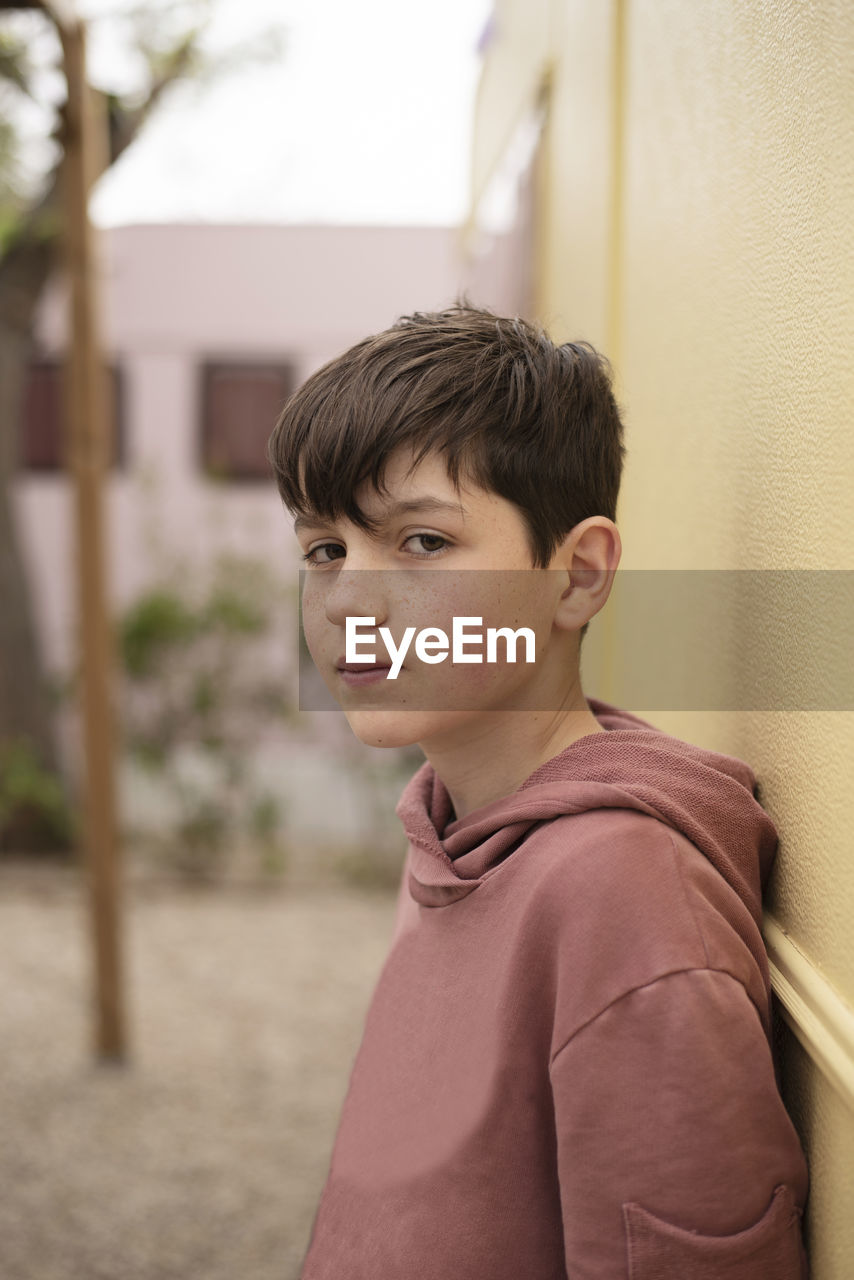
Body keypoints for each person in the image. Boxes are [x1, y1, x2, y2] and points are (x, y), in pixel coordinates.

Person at [267, 303, 809, 1279]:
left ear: (576, 573)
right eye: (324, 549)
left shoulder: (621, 896)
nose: (350, 596)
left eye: (422, 543)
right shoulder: (448, 817)